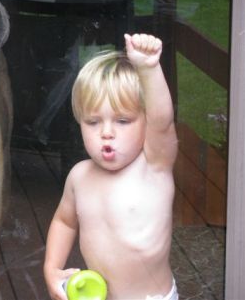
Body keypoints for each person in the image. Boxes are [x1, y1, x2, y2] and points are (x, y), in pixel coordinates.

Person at [43, 33, 179, 300]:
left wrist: (148, 68)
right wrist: (51, 268)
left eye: (123, 121)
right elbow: (64, 221)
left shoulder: (154, 166)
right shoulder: (79, 177)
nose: (106, 132)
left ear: (145, 120)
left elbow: (163, 122)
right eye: (93, 122)